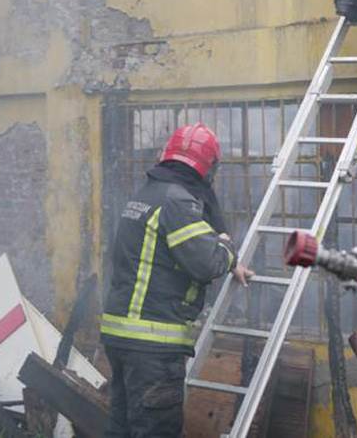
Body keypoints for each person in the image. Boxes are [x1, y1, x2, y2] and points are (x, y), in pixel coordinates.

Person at [101, 123, 252, 437]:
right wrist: (226, 246)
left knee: (123, 430)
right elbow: (208, 263)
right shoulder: (177, 202)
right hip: (153, 347)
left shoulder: (148, 194)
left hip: (120, 339)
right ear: (207, 168)